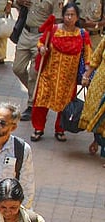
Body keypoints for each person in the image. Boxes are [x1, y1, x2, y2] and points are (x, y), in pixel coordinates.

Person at [31, 3, 91, 142]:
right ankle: (38, 128)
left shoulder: (82, 34)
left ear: (77, 17)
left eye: (72, 15)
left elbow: (88, 54)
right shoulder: (53, 29)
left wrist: (87, 72)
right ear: (63, 15)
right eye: (67, 15)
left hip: (68, 79)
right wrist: (42, 49)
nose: (69, 18)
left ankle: (60, 129)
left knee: (65, 105)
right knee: (41, 101)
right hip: (48, 75)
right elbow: (41, 42)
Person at [12, 0, 64, 120]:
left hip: (41, 36)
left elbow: (57, 20)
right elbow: (16, 3)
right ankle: (37, 92)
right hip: (25, 33)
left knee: (34, 73)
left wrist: (51, 40)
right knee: (17, 68)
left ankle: (31, 104)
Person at [79, 35, 105, 160]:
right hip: (100, 84)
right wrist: (86, 76)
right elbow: (96, 57)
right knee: (96, 114)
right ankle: (97, 141)